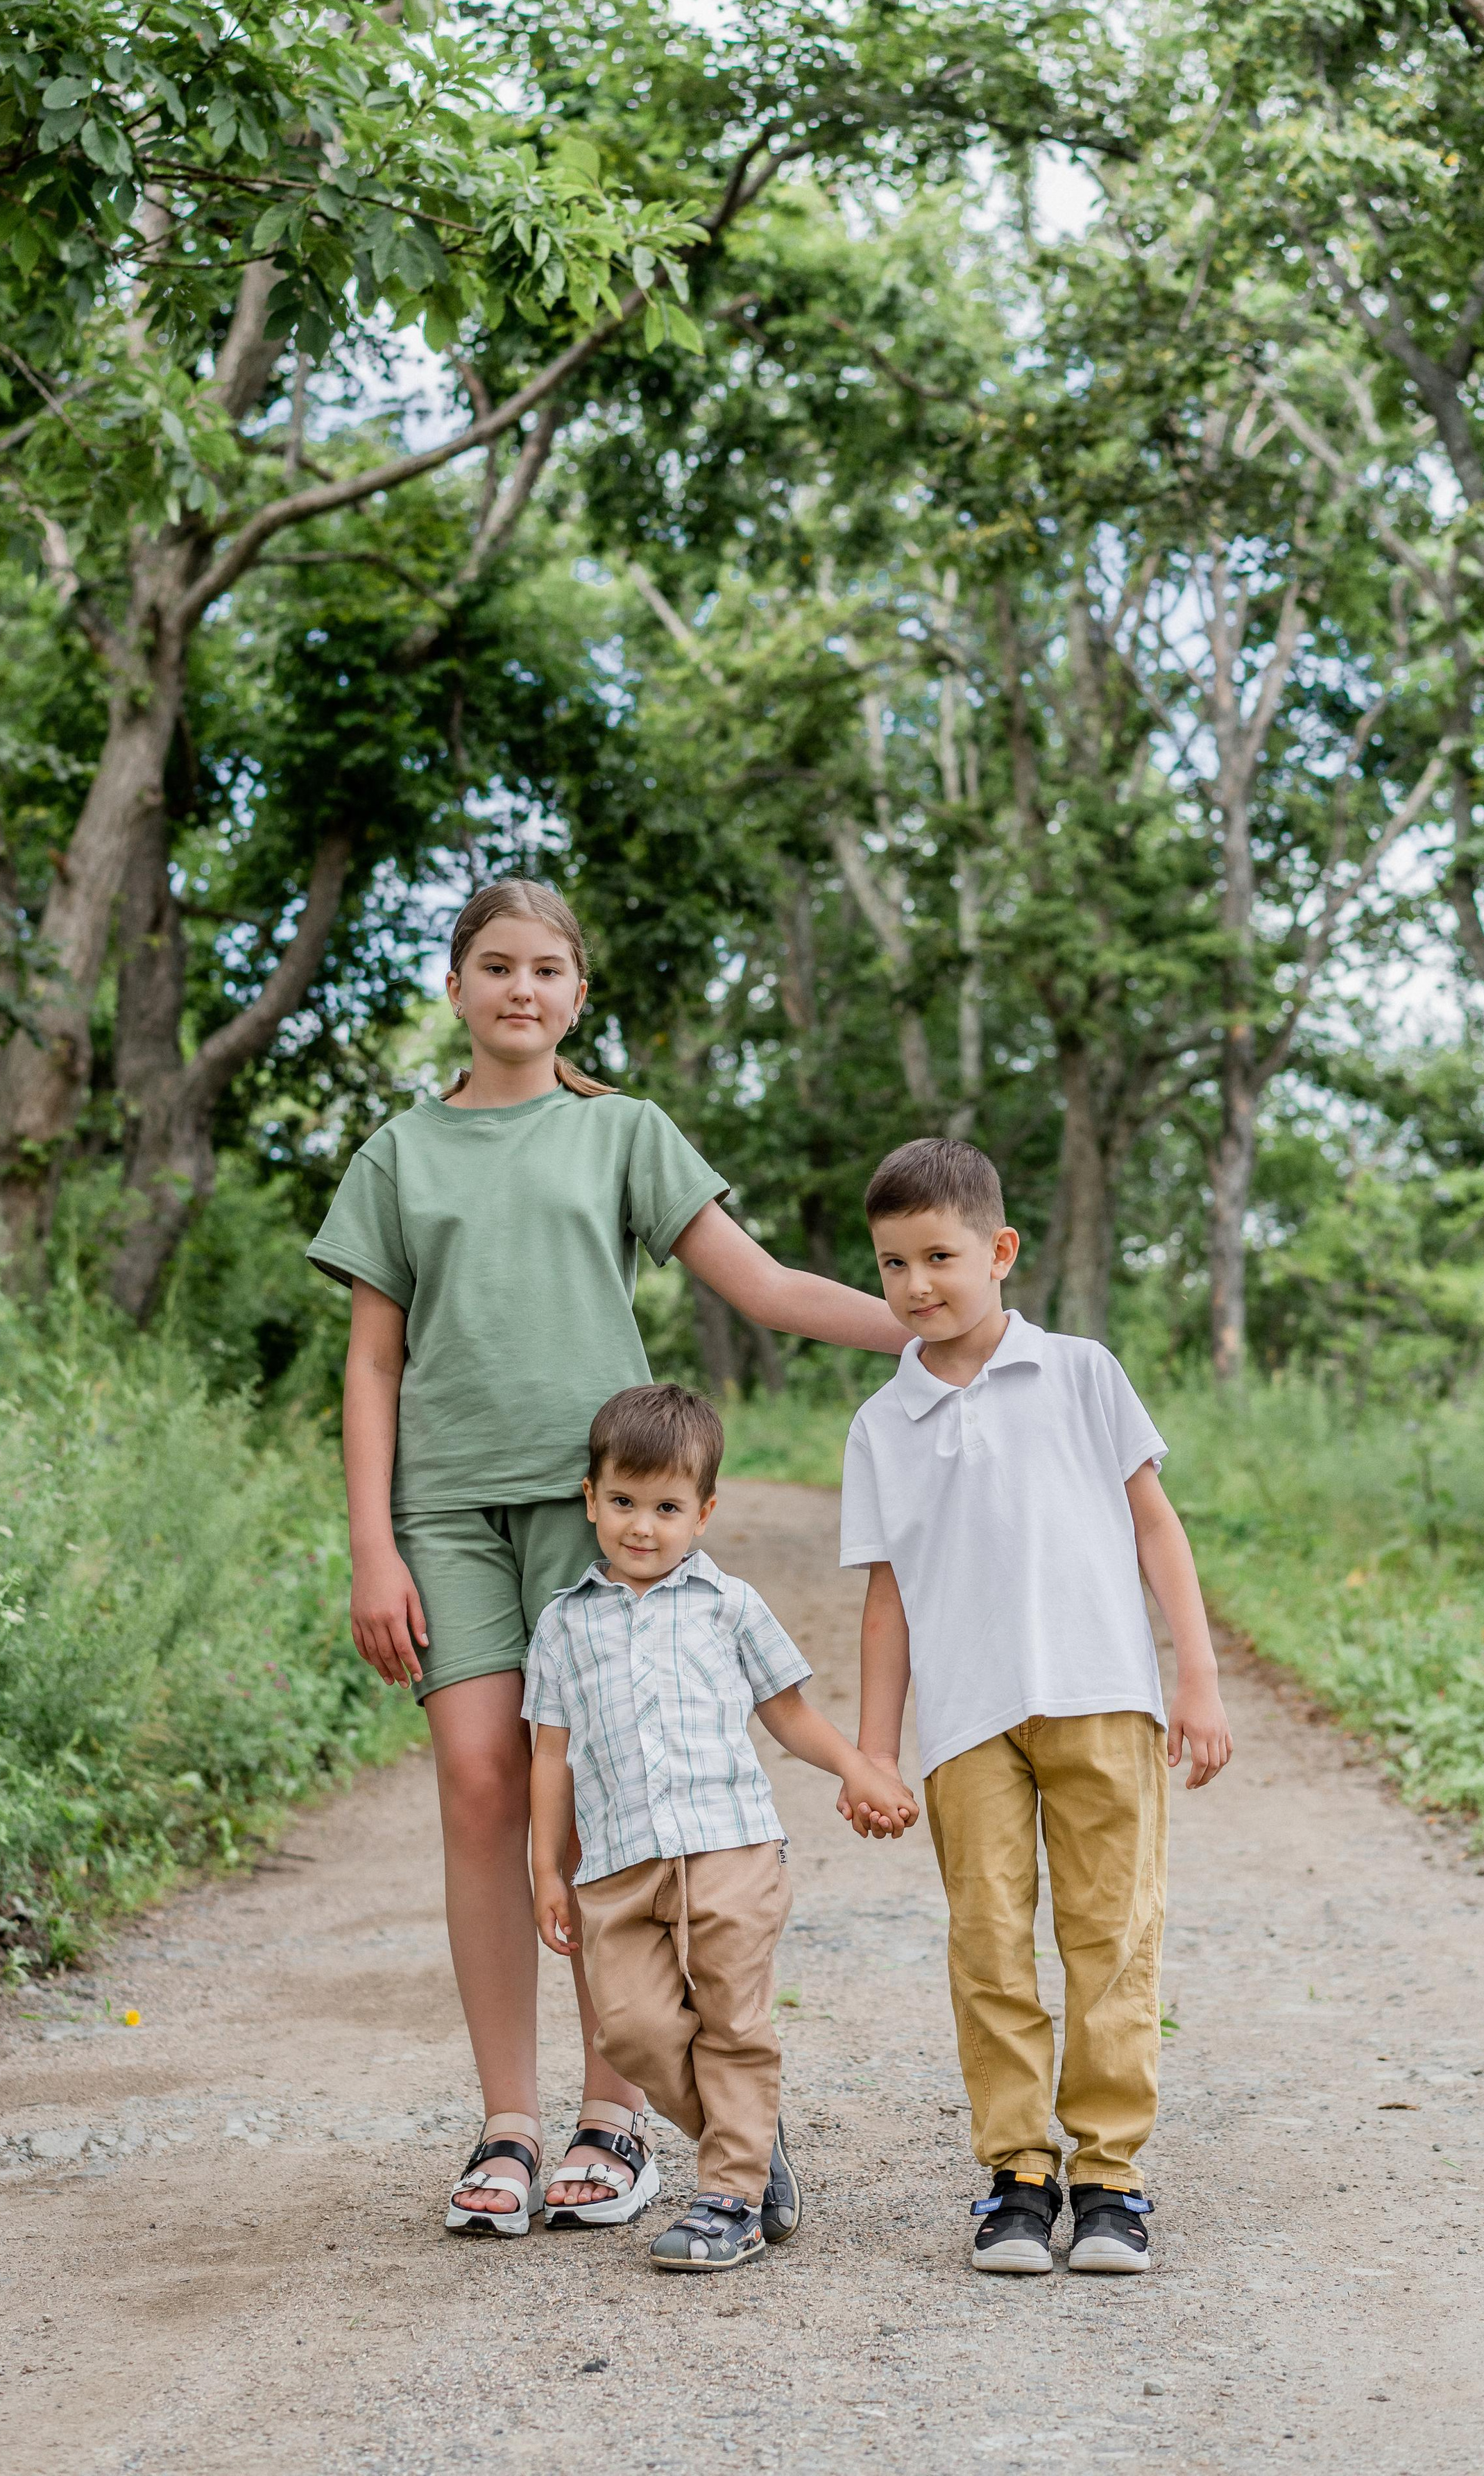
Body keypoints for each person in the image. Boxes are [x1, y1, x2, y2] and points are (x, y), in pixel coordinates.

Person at [305, 878, 907, 2235]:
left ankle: (611, 2113)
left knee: (583, 1800)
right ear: (456, 986)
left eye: (548, 970)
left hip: (600, 1512)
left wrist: (926, 1322)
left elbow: (757, 1285)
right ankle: (507, 2121)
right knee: (478, 1784)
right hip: (449, 1513)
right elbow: (371, 1362)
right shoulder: (396, 1157)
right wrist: (370, 1548)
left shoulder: (621, 1132)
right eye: (495, 966)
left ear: (578, 993)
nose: (521, 989)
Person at [837, 1136, 1233, 2278]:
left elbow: (1158, 1528)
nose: (916, 1284)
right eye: (892, 1263)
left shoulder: (1082, 1374)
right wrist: (872, 1750)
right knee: (988, 1946)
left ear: (1001, 1251)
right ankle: (1017, 2172)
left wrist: (1193, 1678)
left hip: (1106, 1697)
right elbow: (885, 1605)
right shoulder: (883, 1425)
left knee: (1113, 1941)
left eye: (940, 1256)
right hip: (966, 1727)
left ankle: (1109, 2176)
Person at [527, 1382, 918, 2271]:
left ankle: (728, 2199)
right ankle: (748, 2138)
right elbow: (550, 1758)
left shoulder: (728, 1605)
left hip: (731, 1844)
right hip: (619, 1865)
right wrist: (547, 1871)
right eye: (622, 1502)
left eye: (666, 1507)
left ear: (702, 1513)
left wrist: (859, 1766)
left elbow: (787, 1714)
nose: (641, 1526)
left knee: (733, 2020)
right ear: (590, 1499)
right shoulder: (562, 1625)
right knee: (629, 2030)